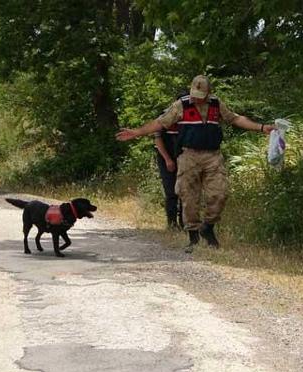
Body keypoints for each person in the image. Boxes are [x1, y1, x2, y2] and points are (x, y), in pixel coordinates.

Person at [116, 75, 274, 252]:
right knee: (189, 197)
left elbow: (235, 118)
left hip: (213, 155)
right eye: (194, 94)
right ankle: (193, 236)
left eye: (200, 95)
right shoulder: (181, 105)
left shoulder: (216, 104)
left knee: (220, 193)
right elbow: (160, 123)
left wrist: (261, 127)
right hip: (189, 155)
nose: (195, 98)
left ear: (208, 93)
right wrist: (136, 132)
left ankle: (208, 227)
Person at [153, 92, 187, 230]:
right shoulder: (164, 116)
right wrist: (168, 160)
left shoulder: (191, 117)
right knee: (171, 191)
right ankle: (172, 224)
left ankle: (185, 223)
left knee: (186, 191)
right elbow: (157, 139)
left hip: (185, 158)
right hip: (166, 156)